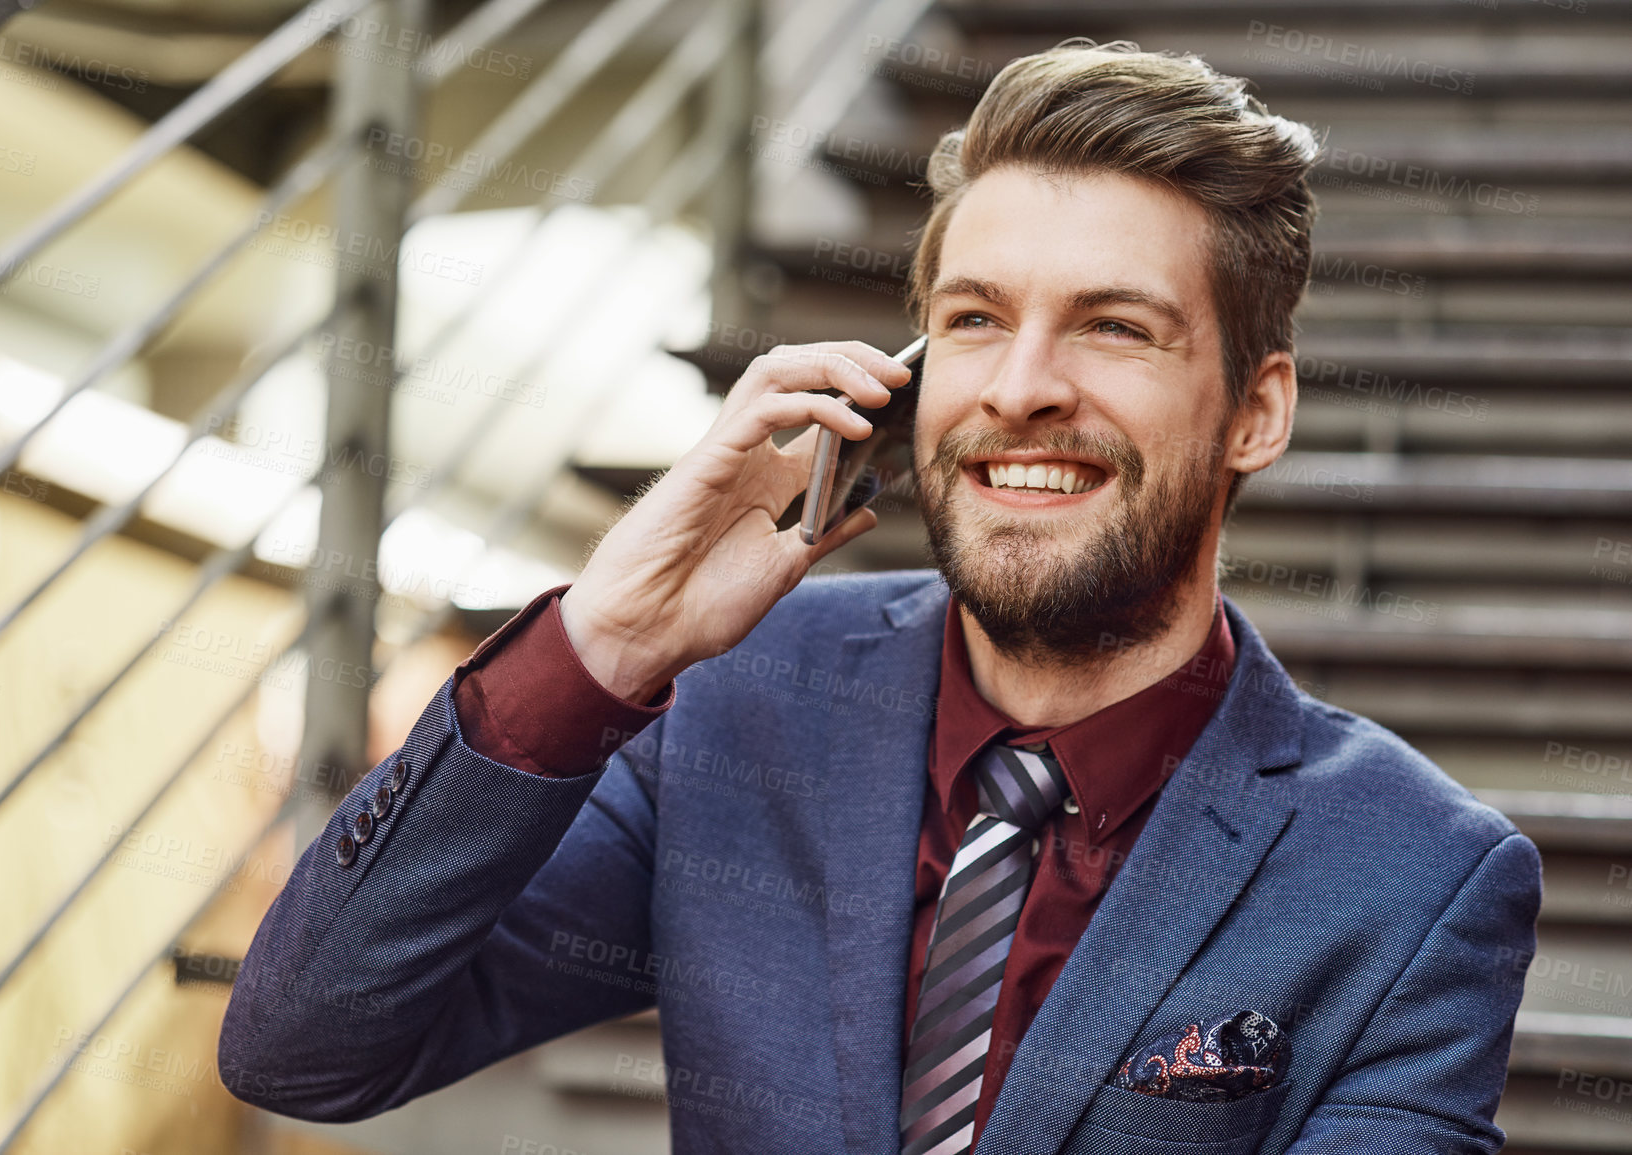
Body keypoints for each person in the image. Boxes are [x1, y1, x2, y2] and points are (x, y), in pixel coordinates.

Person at [219, 40, 1541, 1155]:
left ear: (1256, 413)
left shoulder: (1418, 880)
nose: (1021, 385)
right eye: (973, 319)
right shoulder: (739, 708)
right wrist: (602, 644)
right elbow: (304, 1048)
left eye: (1113, 327)